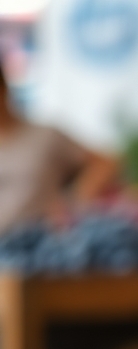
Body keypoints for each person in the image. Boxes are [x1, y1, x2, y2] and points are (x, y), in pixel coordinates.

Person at [0, 64, 118, 236]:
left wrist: (76, 200)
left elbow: (106, 162)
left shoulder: (45, 136)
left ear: (4, 89)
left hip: (36, 247)